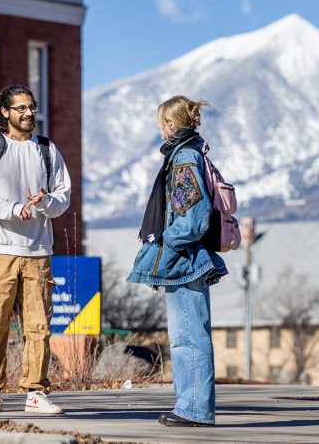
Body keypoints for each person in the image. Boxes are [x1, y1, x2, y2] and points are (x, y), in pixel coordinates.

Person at [0, 84, 71, 415]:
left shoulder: (47, 149)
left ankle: (35, 393)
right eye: (21, 108)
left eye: (32, 107)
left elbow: (63, 195)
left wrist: (46, 201)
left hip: (38, 252)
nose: (28, 113)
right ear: (5, 112)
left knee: (39, 326)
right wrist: (12, 208)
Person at [127, 95, 228, 427]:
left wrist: (166, 239)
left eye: (161, 124)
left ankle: (195, 410)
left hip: (185, 260)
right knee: (187, 335)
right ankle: (191, 406)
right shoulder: (192, 153)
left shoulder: (183, 158)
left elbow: (194, 218)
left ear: (170, 124)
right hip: (188, 259)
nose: (160, 131)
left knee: (188, 337)